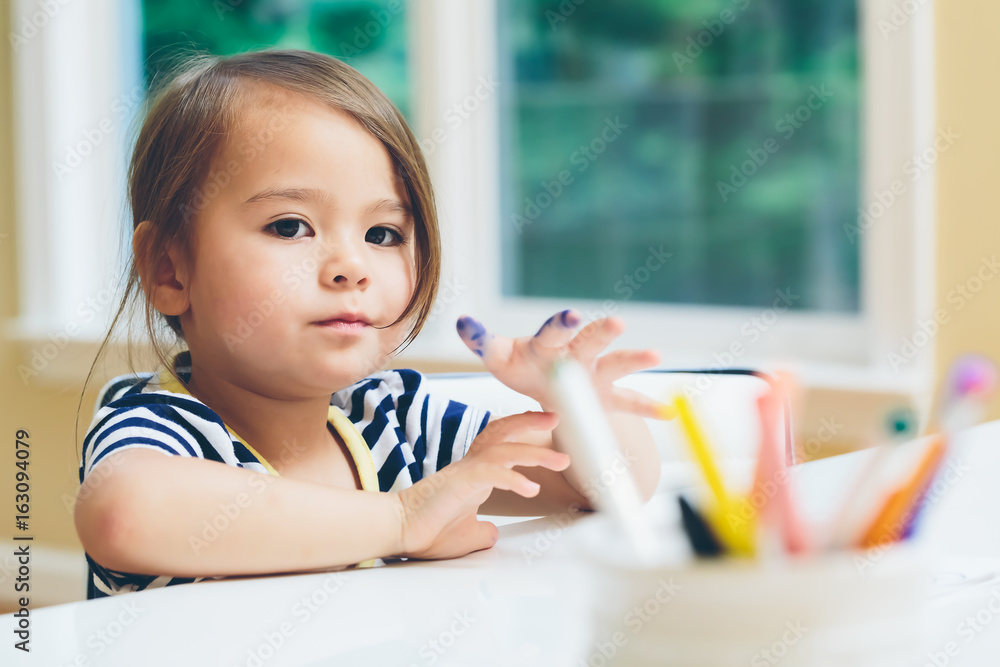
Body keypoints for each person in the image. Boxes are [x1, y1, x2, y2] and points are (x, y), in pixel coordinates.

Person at [74, 49, 664, 599]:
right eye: (289, 226)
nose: (351, 267)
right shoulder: (163, 428)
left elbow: (612, 489)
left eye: (382, 235)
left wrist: (577, 401)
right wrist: (404, 517)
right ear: (170, 268)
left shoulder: (392, 421)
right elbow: (124, 512)